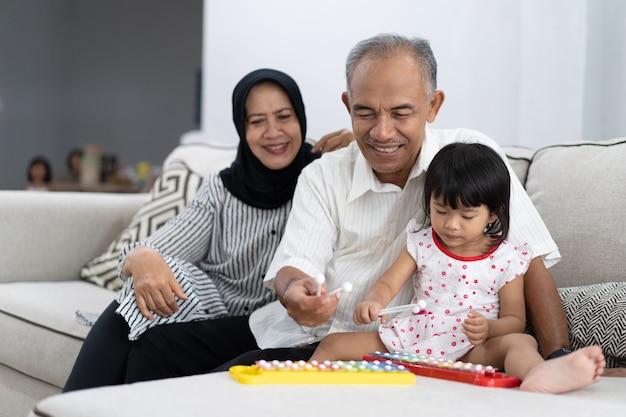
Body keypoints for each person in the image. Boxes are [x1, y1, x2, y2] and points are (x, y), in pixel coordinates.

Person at [214, 33, 574, 371]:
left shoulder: (470, 160)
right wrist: (294, 291)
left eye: (401, 113)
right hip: (311, 336)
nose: (382, 132)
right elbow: (296, 265)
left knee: (231, 382)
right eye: (365, 112)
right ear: (348, 105)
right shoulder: (322, 174)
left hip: (407, 349)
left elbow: (531, 261)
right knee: (173, 356)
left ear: (433, 106)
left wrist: (557, 356)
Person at [63, 68, 353, 391]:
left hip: (272, 322)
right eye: (257, 121)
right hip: (207, 307)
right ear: (242, 129)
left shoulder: (321, 176)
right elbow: (159, 250)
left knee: (152, 344)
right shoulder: (223, 186)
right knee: (153, 275)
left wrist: (358, 147)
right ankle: (71, 403)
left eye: (284, 117)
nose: (273, 132)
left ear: (300, 118)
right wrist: (141, 256)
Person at [309, 142, 604, 394]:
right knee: (334, 343)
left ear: (493, 215)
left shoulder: (507, 259)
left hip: (471, 347)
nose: (451, 224)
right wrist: (374, 301)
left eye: (466, 216)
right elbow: (388, 283)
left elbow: (514, 318)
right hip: (411, 339)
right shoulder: (421, 243)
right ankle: (302, 389)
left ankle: (542, 374)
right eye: (441, 211)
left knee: (520, 341)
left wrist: (489, 329)